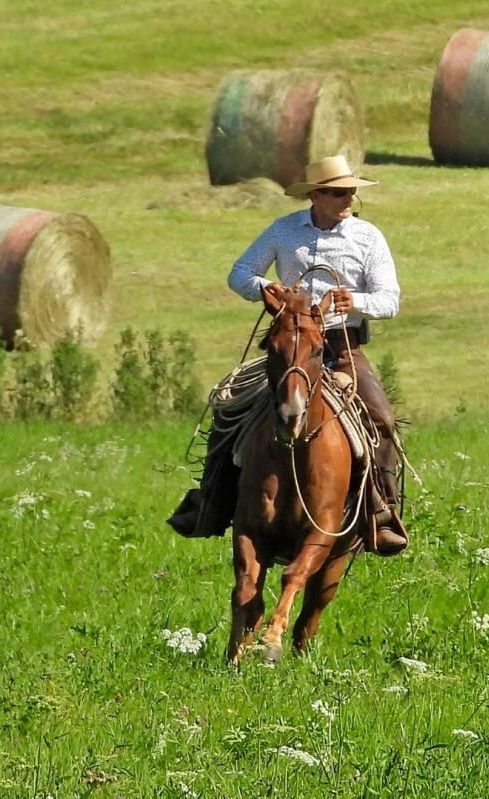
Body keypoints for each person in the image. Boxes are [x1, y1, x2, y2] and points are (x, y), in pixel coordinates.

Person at [167, 154, 408, 555]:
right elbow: (239, 273)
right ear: (315, 195)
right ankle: (208, 502)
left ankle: (381, 512)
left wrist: (356, 300)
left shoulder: (368, 238)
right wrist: (266, 289)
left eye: (351, 192)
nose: (347, 198)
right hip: (289, 347)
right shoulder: (283, 230)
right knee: (229, 408)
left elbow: (390, 300)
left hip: (341, 345)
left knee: (381, 417)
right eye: (337, 192)